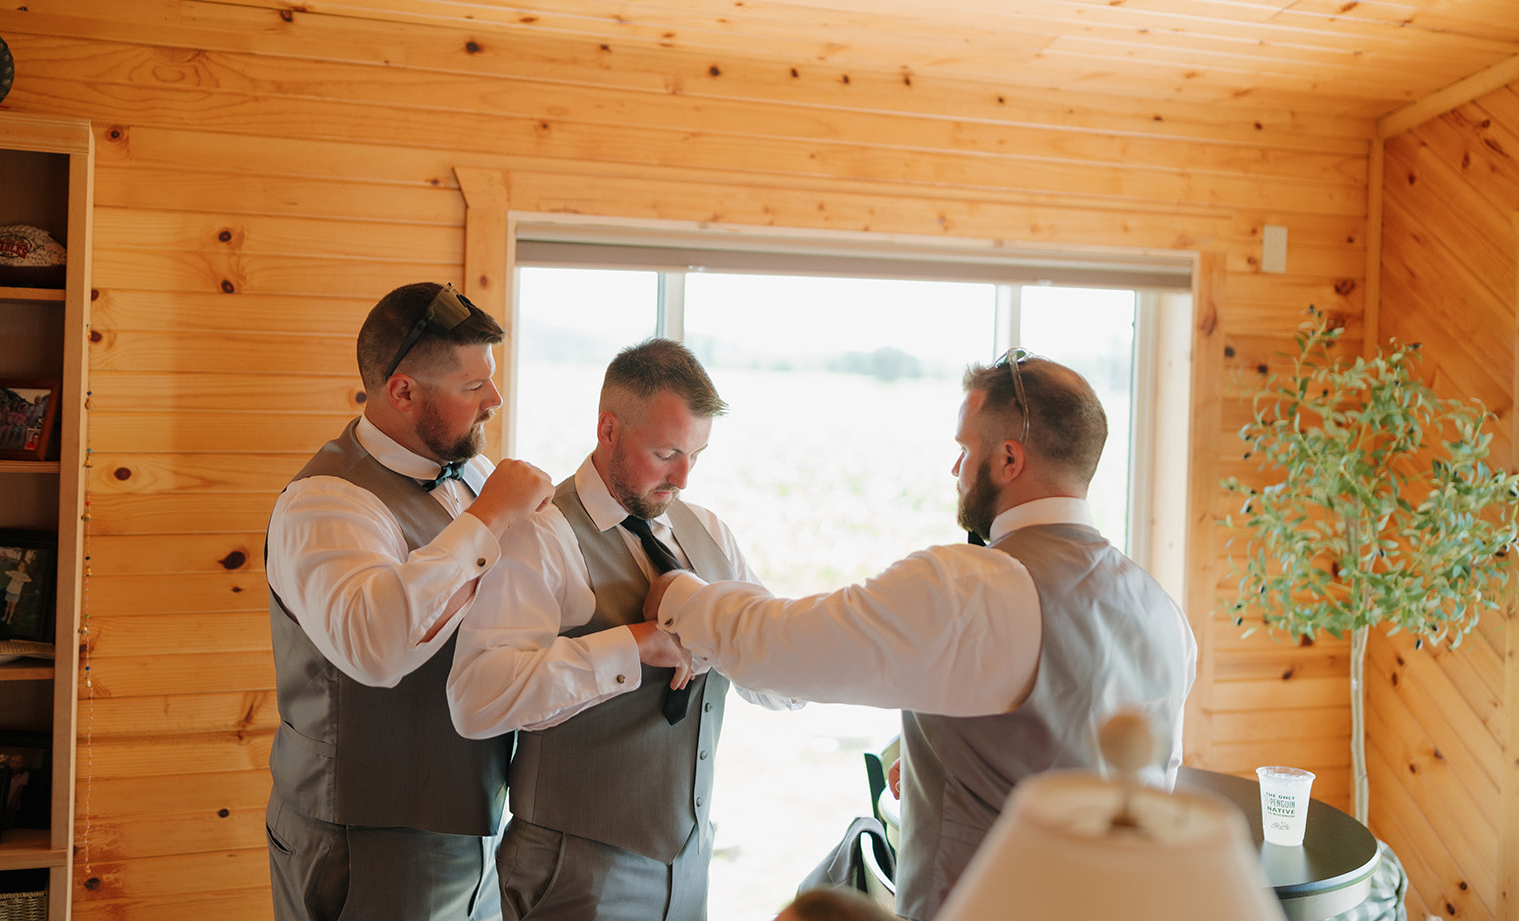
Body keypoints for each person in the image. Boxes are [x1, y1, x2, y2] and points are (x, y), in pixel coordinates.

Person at [645, 352, 1198, 921]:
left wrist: (682, 599)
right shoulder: (1163, 611)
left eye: (965, 449)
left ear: (1009, 459)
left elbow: (787, 646)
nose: (955, 469)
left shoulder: (972, 586)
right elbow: (1135, 774)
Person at [448, 337, 801, 921]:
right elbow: (477, 697)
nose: (683, 478)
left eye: (696, 455)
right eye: (666, 453)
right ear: (607, 429)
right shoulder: (541, 534)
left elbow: (780, 682)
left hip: (689, 864)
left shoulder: (709, 532)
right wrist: (634, 645)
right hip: (574, 872)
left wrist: (747, 639)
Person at [264, 282, 554, 921]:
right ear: (402, 392)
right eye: (473, 385)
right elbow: (376, 647)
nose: (494, 400)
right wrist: (490, 517)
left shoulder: (474, 476)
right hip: (365, 833)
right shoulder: (323, 502)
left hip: (473, 817)